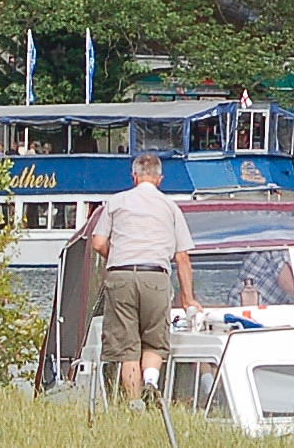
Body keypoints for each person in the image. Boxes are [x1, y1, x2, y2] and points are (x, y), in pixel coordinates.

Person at [89, 154, 197, 405]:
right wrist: (189, 298)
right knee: (154, 340)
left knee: (128, 347)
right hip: (155, 276)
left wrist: (116, 256)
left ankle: (134, 403)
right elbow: (182, 257)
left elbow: (98, 243)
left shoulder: (115, 202)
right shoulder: (170, 207)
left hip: (121, 275)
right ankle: (151, 382)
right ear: (160, 179)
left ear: (134, 176)